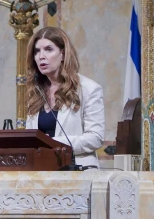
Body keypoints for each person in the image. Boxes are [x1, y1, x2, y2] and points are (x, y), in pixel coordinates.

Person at [24, 26, 105, 169]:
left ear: (63, 53)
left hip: (77, 171)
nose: (41, 56)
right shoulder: (36, 91)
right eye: (37, 51)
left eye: (48, 49)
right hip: (41, 173)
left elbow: (95, 138)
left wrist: (54, 144)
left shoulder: (88, 89)